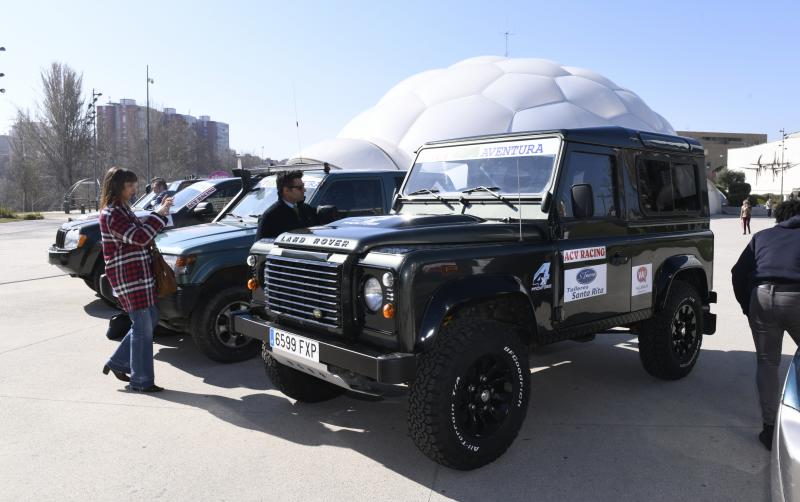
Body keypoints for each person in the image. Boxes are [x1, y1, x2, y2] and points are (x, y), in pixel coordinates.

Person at [731, 199, 800, 450]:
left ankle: (770, 430)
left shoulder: (762, 237)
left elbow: (738, 272)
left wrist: (746, 306)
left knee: (767, 363)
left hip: (761, 298)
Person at [99, 167, 173, 392]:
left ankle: (119, 362)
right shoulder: (112, 213)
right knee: (143, 324)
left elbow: (140, 232)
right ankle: (141, 381)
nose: (134, 189)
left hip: (138, 274)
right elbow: (140, 237)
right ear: (117, 186)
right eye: (129, 185)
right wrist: (159, 214)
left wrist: (159, 214)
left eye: (134, 185)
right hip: (128, 276)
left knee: (148, 319)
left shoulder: (123, 209)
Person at [257, 170, 318, 239]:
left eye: (303, 186)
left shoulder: (307, 210)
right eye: (300, 188)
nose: (304, 190)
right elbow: (260, 246)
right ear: (286, 190)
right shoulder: (270, 216)